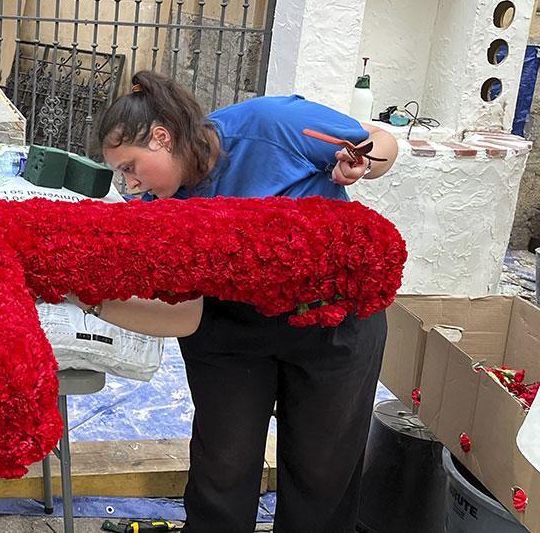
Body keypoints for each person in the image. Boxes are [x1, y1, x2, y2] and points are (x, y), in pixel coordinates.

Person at [84, 70, 399, 533]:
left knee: (323, 470)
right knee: (223, 467)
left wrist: (364, 164)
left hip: (330, 319)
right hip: (229, 328)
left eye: (130, 167)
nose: (129, 185)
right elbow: (186, 314)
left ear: (161, 136)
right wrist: (86, 298)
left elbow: (380, 140)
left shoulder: (269, 124)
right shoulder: (156, 207)